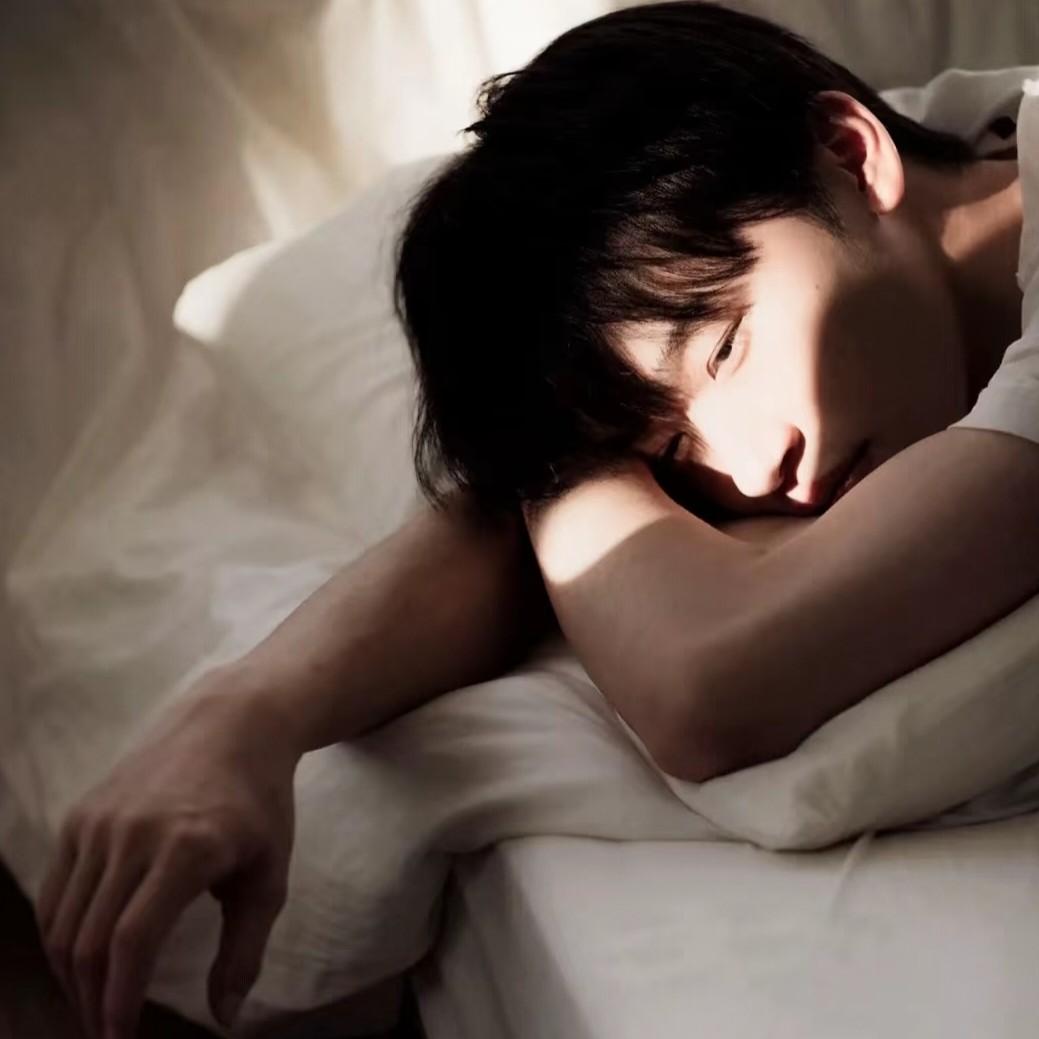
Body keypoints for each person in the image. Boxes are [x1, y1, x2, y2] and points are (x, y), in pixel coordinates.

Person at [34, 4, 1038, 1039]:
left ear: (852, 155)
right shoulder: (933, 146)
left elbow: (706, 686)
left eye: (725, 347)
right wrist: (245, 713)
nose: (751, 468)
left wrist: (563, 449)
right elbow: (505, 519)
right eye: (668, 457)